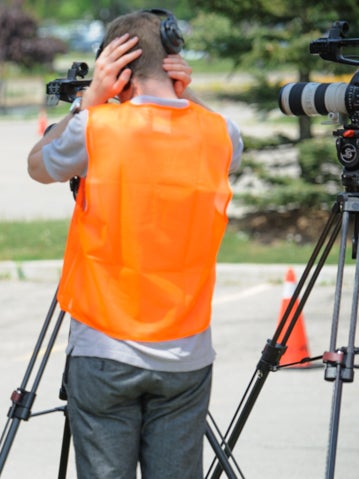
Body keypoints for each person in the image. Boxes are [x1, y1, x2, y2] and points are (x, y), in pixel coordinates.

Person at [27, 10, 243, 479]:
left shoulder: (96, 126)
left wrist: (87, 101)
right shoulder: (220, 133)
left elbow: (37, 165)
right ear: (173, 61)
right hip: (186, 350)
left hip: (104, 346)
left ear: (117, 71)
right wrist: (189, 93)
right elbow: (207, 126)